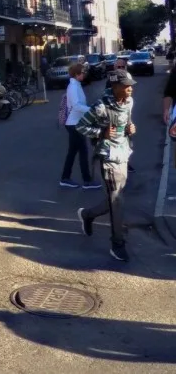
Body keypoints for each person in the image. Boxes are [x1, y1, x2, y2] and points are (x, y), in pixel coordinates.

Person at [76, 69, 136, 262]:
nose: (130, 88)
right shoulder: (100, 107)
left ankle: (87, 215)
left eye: (130, 85)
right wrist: (101, 133)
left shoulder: (128, 102)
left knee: (116, 198)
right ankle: (117, 244)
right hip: (108, 155)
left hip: (123, 153)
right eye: (126, 85)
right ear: (115, 86)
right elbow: (81, 126)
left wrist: (130, 128)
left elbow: (126, 122)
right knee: (117, 199)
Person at [59, 61, 99, 189]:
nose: (84, 74)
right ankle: (87, 181)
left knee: (73, 152)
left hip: (74, 122)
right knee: (83, 151)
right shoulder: (73, 87)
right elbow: (76, 105)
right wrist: (91, 110)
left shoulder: (76, 85)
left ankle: (65, 178)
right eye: (82, 72)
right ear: (76, 74)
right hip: (74, 124)